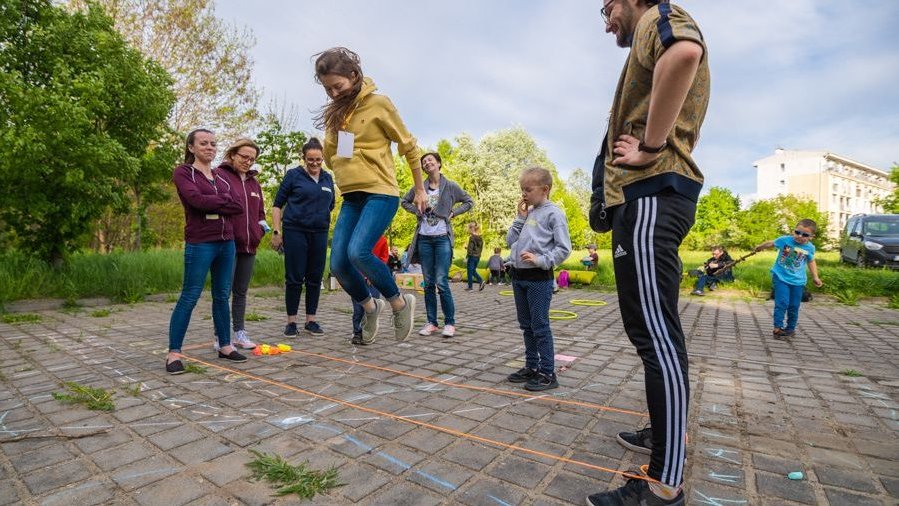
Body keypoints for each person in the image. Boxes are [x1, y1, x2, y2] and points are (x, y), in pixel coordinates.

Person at [587, 1, 710, 504]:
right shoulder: (645, 31)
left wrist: (651, 147)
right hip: (641, 198)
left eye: (607, 6)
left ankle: (664, 485)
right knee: (652, 334)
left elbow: (684, 53)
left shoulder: (659, 15)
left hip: (652, 192)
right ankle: (663, 437)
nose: (606, 19)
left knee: (656, 338)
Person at [316, 47, 425, 344]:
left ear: (354, 76)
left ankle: (400, 303)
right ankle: (369, 305)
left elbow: (409, 146)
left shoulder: (379, 104)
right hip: (351, 196)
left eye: (337, 86)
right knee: (338, 264)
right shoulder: (335, 113)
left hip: (380, 192)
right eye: (327, 89)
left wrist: (419, 189)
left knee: (358, 252)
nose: (334, 93)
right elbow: (331, 155)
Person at [166, 129, 248, 375]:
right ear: (191, 147)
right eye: (204, 143)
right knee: (190, 295)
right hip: (201, 242)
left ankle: (225, 345)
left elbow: (238, 206)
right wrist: (221, 202)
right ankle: (174, 353)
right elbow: (196, 201)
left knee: (222, 295)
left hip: (227, 242)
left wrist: (215, 201)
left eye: (213, 144)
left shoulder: (222, 177)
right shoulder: (183, 172)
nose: (210, 147)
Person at [505, 166, 571, 391]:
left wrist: (541, 259)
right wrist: (519, 218)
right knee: (526, 326)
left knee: (540, 326)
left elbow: (564, 249)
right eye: (522, 189)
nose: (524, 194)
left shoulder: (554, 213)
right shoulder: (529, 212)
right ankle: (532, 366)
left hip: (538, 278)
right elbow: (510, 240)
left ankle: (548, 372)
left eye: (528, 189)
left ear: (545, 189)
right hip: (519, 276)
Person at [401, 152, 474, 339]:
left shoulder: (450, 186)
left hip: (442, 238)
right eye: (424, 162)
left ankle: (449, 323)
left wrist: (453, 213)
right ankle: (431, 322)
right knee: (428, 284)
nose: (426, 163)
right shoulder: (420, 187)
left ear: (439, 164)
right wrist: (417, 211)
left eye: (430, 160)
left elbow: (468, 201)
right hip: (424, 239)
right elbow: (403, 201)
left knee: (441, 282)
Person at [271, 137, 335, 336]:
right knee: (295, 278)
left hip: (320, 232)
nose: (314, 163)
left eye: (318, 160)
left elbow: (330, 204)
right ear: (304, 158)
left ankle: (311, 320)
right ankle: (291, 322)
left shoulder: (327, 178)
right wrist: (276, 231)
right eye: (310, 160)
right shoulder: (293, 175)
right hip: (295, 231)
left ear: (323, 158)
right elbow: (277, 205)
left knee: (315, 277)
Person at [215, 138, 265, 350]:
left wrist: (260, 230)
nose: (247, 161)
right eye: (244, 156)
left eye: (252, 159)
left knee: (241, 291)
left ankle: (239, 333)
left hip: (249, 245)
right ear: (232, 155)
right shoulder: (220, 176)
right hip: (228, 243)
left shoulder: (254, 183)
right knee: (223, 291)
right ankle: (221, 336)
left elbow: (261, 213)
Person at [754, 219, 824, 339]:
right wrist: (759, 247)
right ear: (794, 231)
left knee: (794, 305)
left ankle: (790, 329)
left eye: (805, 235)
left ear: (812, 236)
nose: (800, 236)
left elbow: (811, 261)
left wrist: (815, 277)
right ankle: (777, 328)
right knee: (782, 302)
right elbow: (771, 243)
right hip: (780, 277)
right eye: (797, 232)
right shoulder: (785, 240)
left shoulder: (810, 248)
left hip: (798, 281)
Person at [352, 236, 389, 345]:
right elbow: (351, 258)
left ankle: (369, 332)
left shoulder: (382, 239)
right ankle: (357, 332)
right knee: (358, 309)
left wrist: (373, 274)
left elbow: (383, 259)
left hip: (374, 280)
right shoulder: (355, 238)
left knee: (372, 309)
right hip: (357, 279)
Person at [465, 222, 486, 291]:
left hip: (471, 256)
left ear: (472, 229)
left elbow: (470, 249)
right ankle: (481, 281)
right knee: (473, 270)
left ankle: (470, 287)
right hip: (477, 256)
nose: (468, 230)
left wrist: (467, 257)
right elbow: (479, 248)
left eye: (468, 229)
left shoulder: (472, 237)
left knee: (469, 271)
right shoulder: (480, 238)